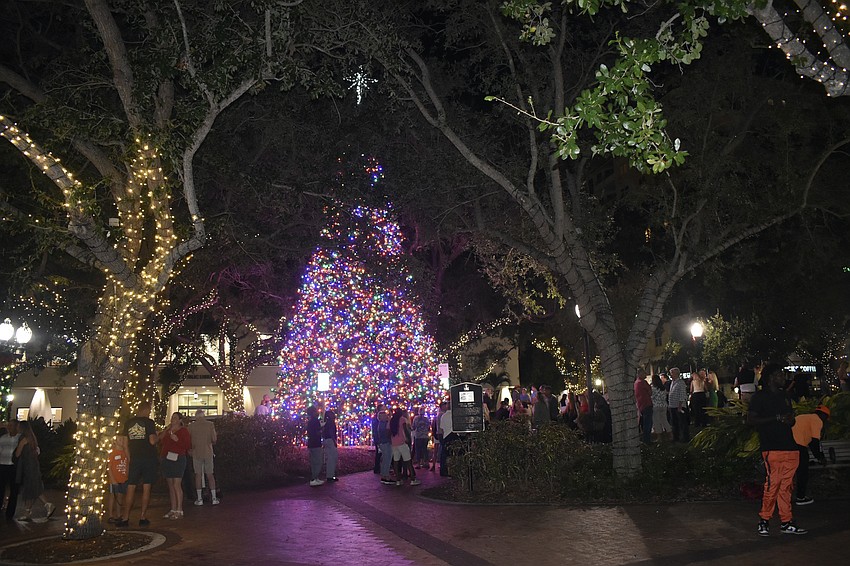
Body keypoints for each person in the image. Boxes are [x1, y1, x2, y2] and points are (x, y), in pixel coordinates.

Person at [748, 363, 807, 536]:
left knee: (786, 487)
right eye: (780, 375)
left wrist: (790, 420)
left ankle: (786, 521)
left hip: (790, 446)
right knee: (772, 485)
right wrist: (776, 418)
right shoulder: (759, 397)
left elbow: (791, 419)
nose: (783, 377)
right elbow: (751, 420)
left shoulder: (785, 396)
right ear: (770, 378)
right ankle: (764, 520)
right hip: (772, 447)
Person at [119, 401, 159, 527]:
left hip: (135, 458)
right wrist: (159, 437)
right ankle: (142, 516)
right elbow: (152, 441)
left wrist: (130, 458)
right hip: (148, 458)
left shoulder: (128, 423)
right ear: (147, 410)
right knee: (146, 487)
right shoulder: (149, 423)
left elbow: (125, 444)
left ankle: (125, 517)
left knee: (131, 487)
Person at [14, 420, 55, 522]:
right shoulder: (32, 438)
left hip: (29, 467)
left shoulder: (23, 439)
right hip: (33, 465)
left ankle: (47, 505)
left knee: (32, 487)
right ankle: (28, 511)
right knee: (32, 488)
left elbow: (18, 454)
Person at [791, 405, 830, 505]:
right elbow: (814, 442)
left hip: (789, 445)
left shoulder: (805, 417)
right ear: (823, 415)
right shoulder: (817, 420)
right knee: (803, 473)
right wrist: (820, 458)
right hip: (798, 446)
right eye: (826, 418)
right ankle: (801, 497)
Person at [158, 412, 191, 520]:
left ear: (180, 420)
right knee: (171, 485)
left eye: (175, 418)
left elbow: (187, 445)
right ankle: (173, 508)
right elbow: (161, 440)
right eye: (172, 417)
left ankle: (179, 509)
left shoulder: (183, 431)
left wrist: (177, 440)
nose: (173, 419)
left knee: (177, 484)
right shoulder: (168, 430)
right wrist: (165, 431)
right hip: (167, 458)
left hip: (178, 459)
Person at [188, 409, 219, 506]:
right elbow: (214, 439)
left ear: (196, 416)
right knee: (210, 475)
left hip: (196, 452)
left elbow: (188, 440)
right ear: (204, 415)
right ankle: (214, 497)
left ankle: (199, 498)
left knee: (198, 475)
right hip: (208, 452)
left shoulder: (191, 426)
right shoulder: (210, 425)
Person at [390, 408, 420, 486]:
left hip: (394, 443)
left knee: (396, 461)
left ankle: (398, 480)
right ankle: (413, 479)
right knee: (408, 460)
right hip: (402, 442)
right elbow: (405, 429)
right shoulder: (402, 419)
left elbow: (388, 431)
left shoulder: (391, 420)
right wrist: (408, 438)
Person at [1, 419, 21, 521]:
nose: (9, 427)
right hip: (3, 465)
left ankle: (10, 512)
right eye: (9, 426)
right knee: (1, 488)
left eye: (12, 426)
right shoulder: (3, 438)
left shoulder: (20, 438)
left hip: (14, 466)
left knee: (14, 489)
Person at [106, 435, 129, 524]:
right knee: (113, 496)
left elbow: (127, 464)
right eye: (120, 440)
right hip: (114, 479)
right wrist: (112, 479)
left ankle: (119, 514)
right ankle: (111, 515)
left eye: (123, 440)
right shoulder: (112, 453)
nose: (122, 442)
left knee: (120, 496)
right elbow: (109, 467)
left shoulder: (124, 452)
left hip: (122, 478)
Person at [667, 368, 689, 443]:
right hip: (673, 406)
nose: (670, 375)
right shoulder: (672, 383)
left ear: (676, 374)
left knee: (682, 422)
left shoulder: (680, 383)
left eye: (672, 373)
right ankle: (676, 437)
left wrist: (680, 405)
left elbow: (682, 395)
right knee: (674, 423)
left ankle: (685, 438)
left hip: (679, 406)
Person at [306, 406, 324, 486]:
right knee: (318, 461)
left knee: (314, 461)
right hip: (316, 443)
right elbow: (316, 432)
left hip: (311, 443)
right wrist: (321, 429)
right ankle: (314, 478)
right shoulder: (315, 421)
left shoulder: (310, 422)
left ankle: (315, 478)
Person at [634, 369, 653, 444]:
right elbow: (650, 392)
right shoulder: (643, 382)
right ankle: (647, 440)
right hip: (647, 404)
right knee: (648, 423)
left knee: (643, 423)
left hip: (640, 405)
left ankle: (645, 439)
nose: (646, 374)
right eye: (644, 373)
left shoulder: (636, 383)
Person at [650, 374, 671, 440]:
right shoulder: (663, 387)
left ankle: (659, 436)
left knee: (656, 421)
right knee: (664, 420)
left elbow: (651, 397)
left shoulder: (653, 388)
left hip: (656, 405)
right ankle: (670, 434)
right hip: (663, 405)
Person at [439, 404, 457, 477]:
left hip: (446, 436)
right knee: (453, 454)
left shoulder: (443, 416)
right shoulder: (455, 415)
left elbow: (442, 428)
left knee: (445, 455)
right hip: (453, 435)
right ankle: (453, 471)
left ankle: (444, 471)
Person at [323, 410, 338, 482]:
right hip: (330, 440)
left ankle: (330, 475)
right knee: (332, 458)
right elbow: (331, 432)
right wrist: (334, 441)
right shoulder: (331, 423)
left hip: (327, 440)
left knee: (330, 458)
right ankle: (330, 476)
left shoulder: (326, 423)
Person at [372, 404, 385, 474]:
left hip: (378, 438)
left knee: (379, 453)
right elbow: (376, 429)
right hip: (379, 439)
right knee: (379, 453)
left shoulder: (376, 418)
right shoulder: (377, 418)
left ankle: (378, 467)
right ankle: (377, 468)